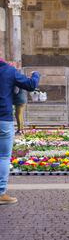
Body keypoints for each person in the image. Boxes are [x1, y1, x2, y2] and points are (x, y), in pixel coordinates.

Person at [0, 58, 40, 205]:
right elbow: (31, 85)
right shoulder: (9, 71)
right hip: (3, 118)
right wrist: (36, 74)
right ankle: (0, 193)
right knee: (3, 157)